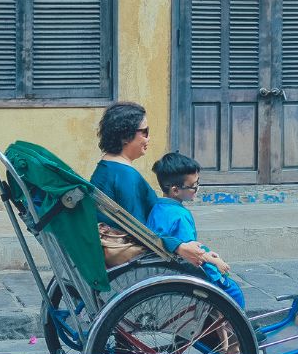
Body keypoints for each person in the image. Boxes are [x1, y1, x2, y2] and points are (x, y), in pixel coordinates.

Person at [89, 102, 209, 266]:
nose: (148, 138)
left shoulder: (107, 168)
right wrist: (179, 246)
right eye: (144, 132)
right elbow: (142, 232)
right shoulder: (125, 176)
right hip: (139, 256)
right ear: (125, 136)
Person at [148, 152, 246, 309]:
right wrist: (214, 261)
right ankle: (237, 331)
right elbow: (190, 251)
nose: (197, 188)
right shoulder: (179, 216)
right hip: (187, 267)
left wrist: (207, 253)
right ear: (175, 190)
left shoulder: (158, 208)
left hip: (171, 262)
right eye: (193, 186)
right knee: (234, 292)